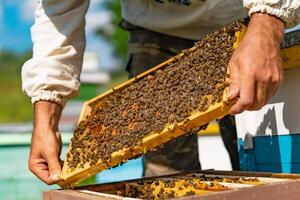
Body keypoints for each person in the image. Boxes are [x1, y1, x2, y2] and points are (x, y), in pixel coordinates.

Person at [22, 0, 300, 185]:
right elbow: (57, 11)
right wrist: (46, 112)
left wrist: (268, 22)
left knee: (264, 167)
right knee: (165, 179)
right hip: (155, 31)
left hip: (245, 18)